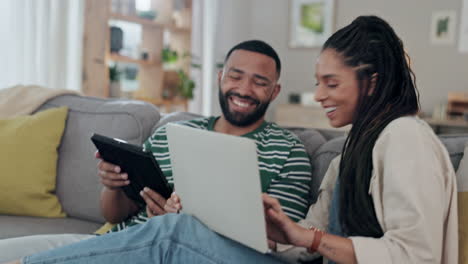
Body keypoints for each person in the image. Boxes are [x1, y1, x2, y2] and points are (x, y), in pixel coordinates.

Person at [12, 15, 458, 264]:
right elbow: (308, 240)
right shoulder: (354, 151)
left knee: (173, 232)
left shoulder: (404, 138)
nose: (319, 94)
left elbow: (414, 256)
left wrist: (311, 240)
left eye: (331, 83)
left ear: (373, 84)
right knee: (172, 229)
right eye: (318, 82)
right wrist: (282, 232)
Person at [0, 40, 312, 262]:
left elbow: (275, 242)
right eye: (235, 76)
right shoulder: (172, 134)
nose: (244, 90)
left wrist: (185, 219)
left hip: (168, 250)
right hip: (109, 242)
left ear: (275, 91)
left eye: (259, 82)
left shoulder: (289, 152)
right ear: (220, 77)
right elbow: (113, 214)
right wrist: (114, 185)